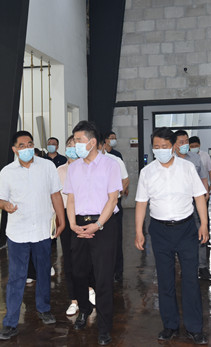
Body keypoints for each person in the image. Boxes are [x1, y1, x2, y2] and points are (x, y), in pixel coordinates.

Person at [134, 127, 209, 344]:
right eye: (156, 147)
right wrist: (138, 231)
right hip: (160, 230)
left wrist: (204, 224)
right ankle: (170, 325)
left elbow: (199, 197)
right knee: (165, 279)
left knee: (190, 279)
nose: (160, 150)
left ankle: (195, 327)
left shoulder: (187, 168)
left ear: (173, 146)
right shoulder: (147, 172)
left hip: (186, 229)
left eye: (164, 146)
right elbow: (141, 203)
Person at [0, 130, 66, 340]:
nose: (27, 149)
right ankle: (10, 322)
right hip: (18, 232)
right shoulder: (7, 172)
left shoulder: (47, 166)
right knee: (17, 277)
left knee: (43, 272)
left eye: (30, 144)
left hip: (42, 230)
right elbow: (0, 199)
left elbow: (55, 194)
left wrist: (61, 220)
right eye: (22, 145)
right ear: (14, 149)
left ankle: (44, 309)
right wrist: (5, 205)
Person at [63, 121, 122, 346]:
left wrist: (97, 225)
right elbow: (70, 198)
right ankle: (85, 310)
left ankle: (105, 326)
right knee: (78, 273)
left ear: (92, 142)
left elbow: (113, 199)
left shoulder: (110, 165)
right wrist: (72, 224)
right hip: (78, 225)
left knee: (103, 276)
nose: (75, 144)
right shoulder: (74, 168)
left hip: (103, 225)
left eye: (79, 140)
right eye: (74, 140)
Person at [59, 136, 97, 316]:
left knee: (89, 258)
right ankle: (74, 299)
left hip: (85, 218)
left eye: (76, 146)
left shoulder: (89, 168)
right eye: (69, 146)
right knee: (69, 260)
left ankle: (90, 289)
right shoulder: (59, 171)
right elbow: (55, 197)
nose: (72, 149)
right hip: (66, 218)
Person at [173, 130, 211, 281]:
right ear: (174, 144)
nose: (185, 145)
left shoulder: (195, 158)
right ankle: (184, 266)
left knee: (200, 231)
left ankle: (202, 266)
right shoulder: (170, 160)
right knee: (181, 235)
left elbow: (203, 177)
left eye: (186, 141)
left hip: (196, 201)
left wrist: (205, 192)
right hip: (178, 203)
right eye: (181, 142)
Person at [100, 134, 130, 283]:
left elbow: (126, 179)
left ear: (102, 145)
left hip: (113, 205)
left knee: (115, 239)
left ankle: (117, 271)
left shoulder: (115, 160)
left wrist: (117, 194)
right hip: (96, 206)